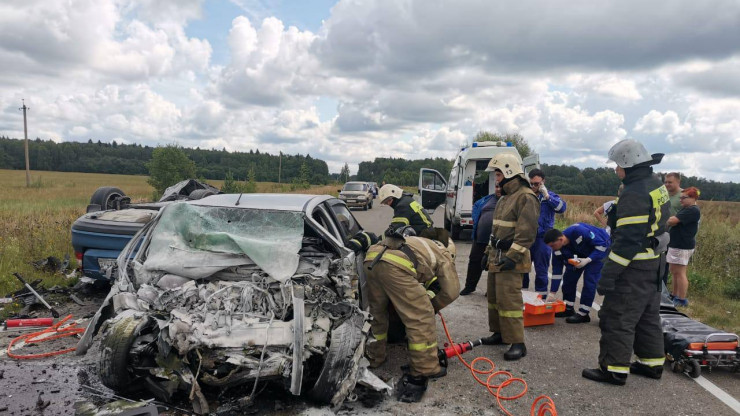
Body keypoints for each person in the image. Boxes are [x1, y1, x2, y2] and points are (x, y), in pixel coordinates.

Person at [582, 139, 670, 386]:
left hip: (634, 268)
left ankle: (614, 369)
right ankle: (651, 364)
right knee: (647, 316)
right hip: (654, 264)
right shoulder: (654, 184)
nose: (615, 170)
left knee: (617, 316)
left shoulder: (635, 192)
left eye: (617, 165)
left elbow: (627, 242)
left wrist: (607, 277)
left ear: (627, 164)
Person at [363, 228, 460, 403]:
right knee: (421, 318)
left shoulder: (417, 242)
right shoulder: (443, 254)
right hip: (396, 267)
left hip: (371, 259)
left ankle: (375, 357)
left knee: (378, 313)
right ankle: (425, 368)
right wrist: (432, 307)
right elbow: (451, 292)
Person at [479, 154, 539, 361]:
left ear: (509, 171)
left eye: (498, 173)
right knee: (495, 300)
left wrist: (513, 257)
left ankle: (518, 343)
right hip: (497, 258)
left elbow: (527, 234)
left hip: (512, 261)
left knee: (510, 302)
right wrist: (487, 254)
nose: (496, 178)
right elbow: (496, 232)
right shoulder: (504, 198)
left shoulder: (526, 197)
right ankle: (500, 334)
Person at [544, 224, 611, 323]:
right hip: (579, 255)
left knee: (589, 280)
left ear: (561, 239)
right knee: (569, 279)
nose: (552, 249)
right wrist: (552, 293)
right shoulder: (558, 250)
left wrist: (588, 260)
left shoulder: (578, 231)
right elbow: (557, 272)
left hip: (598, 251)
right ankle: (568, 308)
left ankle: (584, 313)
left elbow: (602, 245)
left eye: (553, 246)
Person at [523, 169, 567, 300]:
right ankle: (522, 295)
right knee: (522, 269)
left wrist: (547, 196)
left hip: (542, 239)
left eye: (537, 184)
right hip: (526, 238)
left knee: (541, 270)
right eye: (531, 184)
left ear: (543, 182)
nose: (534, 187)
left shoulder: (550, 196)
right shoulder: (526, 196)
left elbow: (561, 208)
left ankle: (540, 298)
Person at [460, 183, 502, 295]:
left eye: (500, 187)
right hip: (480, 238)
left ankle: (491, 291)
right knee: (474, 262)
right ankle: (469, 286)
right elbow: (476, 207)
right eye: (497, 186)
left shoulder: (508, 201)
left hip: (496, 241)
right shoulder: (487, 199)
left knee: (494, 265)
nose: (498, 189)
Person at [666, 187, 701, 307]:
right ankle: (674, 295)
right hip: (676, 244)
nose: (680, 200)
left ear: (693, 198)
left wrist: (668, 220)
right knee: (674, 271)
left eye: (683, 198)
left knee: (680, 272)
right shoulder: (686, 208)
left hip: (682, 245)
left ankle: (681, 299)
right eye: (680, 197)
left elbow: (672, 221)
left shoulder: (692, 210)